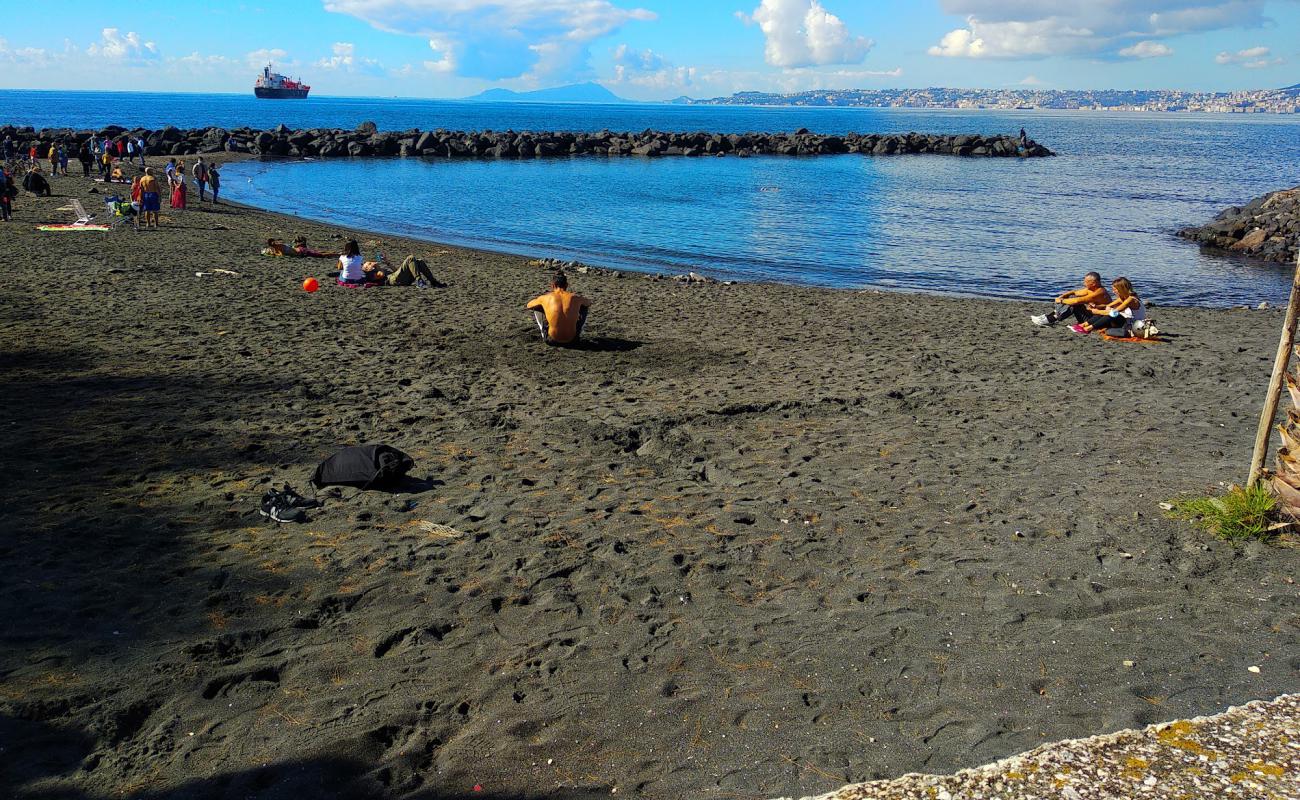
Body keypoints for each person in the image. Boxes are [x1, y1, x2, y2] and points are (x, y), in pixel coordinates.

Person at [527, 272, 590, 346]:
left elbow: (529, 305)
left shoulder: (546, 297)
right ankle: (577, 330)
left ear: (553, 285)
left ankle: (544, 330)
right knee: (584, 307)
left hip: (552, 340)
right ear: (566, 285)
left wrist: (543, 305)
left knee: (538, 307)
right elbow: (588, 303)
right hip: (573, 339)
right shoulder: (575, 297)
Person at [1031, 272, 1111, 327]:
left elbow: (1078, 301)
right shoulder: (1091, 289)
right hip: (1092, 314)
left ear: (1093, 283)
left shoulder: (1099, 292)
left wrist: (1061, 301)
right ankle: (1049, 317)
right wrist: (1063, 296)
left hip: (1096, 320)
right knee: (1071, 299)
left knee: (1075, 304)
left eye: (1086, 282)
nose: (1084, 283)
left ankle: (1051, 319)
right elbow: (1075, 292)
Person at [1072, 277, 1147, 336]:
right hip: (1127, 322)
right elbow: (1107, 305)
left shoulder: (1131, 300)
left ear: (1121, 289)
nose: (1113, 292)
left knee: (1112, 314)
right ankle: (1084, 324)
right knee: (1106, 312)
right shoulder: (1123, 298)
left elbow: (1114, 313)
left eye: (1115, 290)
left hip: (1134, 326)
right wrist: (1096, 306)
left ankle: (1089, 328)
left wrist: (1096, 311)